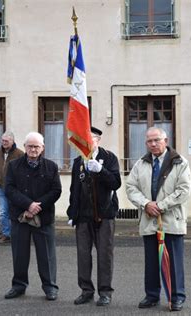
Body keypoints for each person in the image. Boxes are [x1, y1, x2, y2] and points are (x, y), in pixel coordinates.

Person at [126, 127, 191, 312]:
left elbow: (183, 190)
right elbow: (131, 187)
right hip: (148, 219)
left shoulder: (180, 162)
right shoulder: (141, 163)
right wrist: (146, 204)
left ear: (166, 140)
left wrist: (160, 206)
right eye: (149, 141)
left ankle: (176, 297)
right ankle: (152, 295)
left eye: (157, 140)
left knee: (174, 262)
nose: (153, 144)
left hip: (171, 219)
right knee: (151, 261)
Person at [67, 126, 121, 307]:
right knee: (83, 255)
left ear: (97, 139)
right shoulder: (78, 161)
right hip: (83, 215)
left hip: (104, 214)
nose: (87, 142)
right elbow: (74, 189)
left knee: (104, 255)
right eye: (83, 139)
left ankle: (105, 292)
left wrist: (101, 170)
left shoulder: (109, 157)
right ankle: (86, 291)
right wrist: (72, 213)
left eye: (90, 139)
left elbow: (116, 183)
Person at [4, 132, 62, 301]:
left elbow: (56, 191)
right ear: (25, 147)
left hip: (43, 218)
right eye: (30, 146)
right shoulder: (14, 165)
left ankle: (50, 287)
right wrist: (28, 205)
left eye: (36, 146)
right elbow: (9, 189)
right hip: (20, 216)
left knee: (47, 255)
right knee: (20, 254)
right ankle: (19, 286)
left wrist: (38, 206)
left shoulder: (51, 166)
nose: (33, 149)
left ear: (42, 148)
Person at [0, 131, 24, 244]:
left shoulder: (20, 154)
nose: (4, 143)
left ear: (12, 141)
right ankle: (6, 234)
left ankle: (17, 234)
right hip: (1, 187)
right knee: (3, 212)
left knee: (15, 211)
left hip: (14, 188)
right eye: (2, 141)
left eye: (6, 141)